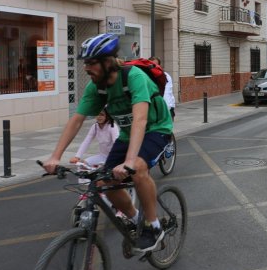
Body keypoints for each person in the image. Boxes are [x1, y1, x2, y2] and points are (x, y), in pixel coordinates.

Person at [42, 33, 173, 252]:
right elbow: (76, 121)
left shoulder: (134, 77)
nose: (86, 68)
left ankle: (154, 226)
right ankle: (136, 219)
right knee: (104, 182)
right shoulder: (96, 88)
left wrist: (129, 162)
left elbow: (140, 119)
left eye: (92, 63)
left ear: (108, 62)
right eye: (86, 63)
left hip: (156, 128)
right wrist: (55, 156)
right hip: (127, 135)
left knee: (138, 168)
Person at [149, 56, 176, 121]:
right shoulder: (147, 77)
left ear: (159, 66)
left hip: (167, 109)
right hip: (154, 112)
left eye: (155, 65)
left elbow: (168, 93)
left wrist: (170, 109)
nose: (154, 67)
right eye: (152, 65)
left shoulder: (166, 76)